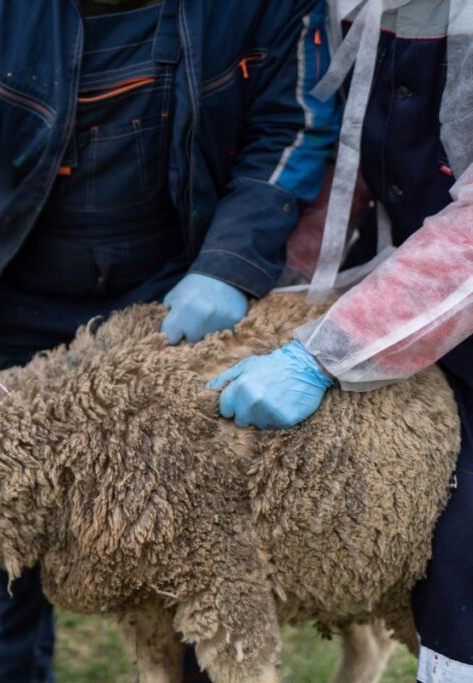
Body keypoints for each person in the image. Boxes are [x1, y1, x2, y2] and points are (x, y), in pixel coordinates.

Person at [0, 0, 339, 680]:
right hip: (22, 294)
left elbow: (291, 127)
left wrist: (230, 264)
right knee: (5, 533)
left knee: (184, 525)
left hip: (175, 298)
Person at [209, 1, 473, 680]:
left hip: (447, 302)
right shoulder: (364, 6)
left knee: (461, 577)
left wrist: (321, 353)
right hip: (425, 324)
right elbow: (355, 153)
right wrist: (276, 289)